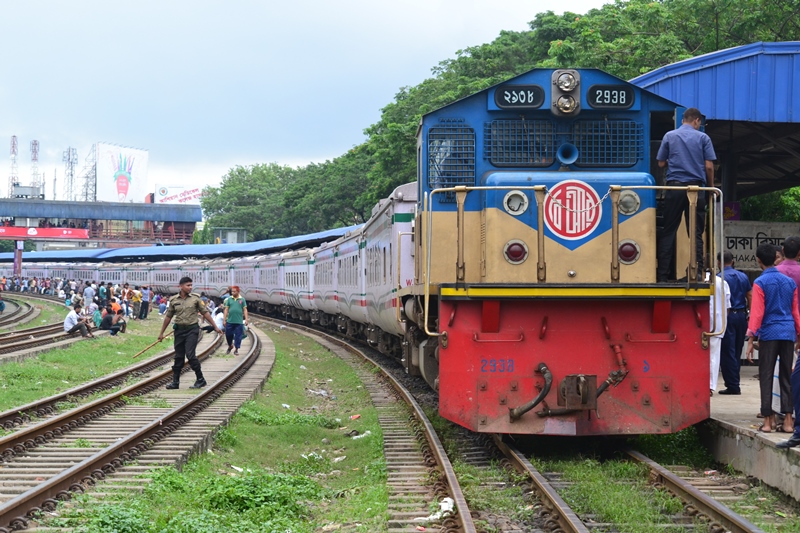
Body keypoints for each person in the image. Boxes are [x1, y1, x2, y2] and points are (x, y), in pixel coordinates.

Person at [656, 107, 717, 282]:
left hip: (674, 188)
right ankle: (697, 272)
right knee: (696, 232)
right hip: (696, 190)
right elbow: (709, 167)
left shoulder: (669, 136)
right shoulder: (703, 138)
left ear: (683, 120)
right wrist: (711, 188)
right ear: (697, 120)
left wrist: (674, 161)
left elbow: (660, 163)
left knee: (669, 230)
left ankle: (662, 275)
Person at [746, 244, 800, 433]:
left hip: (769, 333)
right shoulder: (789, 283)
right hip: (787, 332)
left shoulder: (760, 282)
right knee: (787, 376)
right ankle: (787, 421)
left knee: (767, 376)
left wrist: (751, 337)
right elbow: (795, 312)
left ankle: (768, 422)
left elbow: (757, 313)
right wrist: (799, 333)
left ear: (759, 261)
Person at [157, 277, 222, 390]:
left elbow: (205, 313)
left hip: (192, 330)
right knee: (178, 356)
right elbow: (168, 316)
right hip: (179, 331)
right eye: (188, 285)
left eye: (191, 285)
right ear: (181, 286)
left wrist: (215, 327)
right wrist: (161, 333)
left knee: (190, 355)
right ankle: (175, 382)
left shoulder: (195, 299)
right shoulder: (173, 300)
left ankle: (200, 379)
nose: (190, 287)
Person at [717, 251, 752, 395]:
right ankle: (734, 381)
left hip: (728, 316)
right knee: (737, 350)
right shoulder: (743, 276)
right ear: (732, 261)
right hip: (741, 316)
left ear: (718, 263)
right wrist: (750, 313)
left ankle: (733, 385)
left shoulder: (719, 278)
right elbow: (749, 295)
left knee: (727, 351)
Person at [709, 271, 731, 395]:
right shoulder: (722, 282)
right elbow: (728, 306)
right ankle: (710, 386)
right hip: (717, 324)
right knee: (713, 356)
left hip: (699, 321)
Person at [223, 285, 249, 356]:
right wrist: (224, 320)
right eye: (232, 291)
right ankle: (230, 345)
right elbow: (226, 309)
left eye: (234, 292)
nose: (233, 293)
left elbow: (245, 310)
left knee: (238, 336)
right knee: (228, 335)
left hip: (239, 321)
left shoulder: (242, 300)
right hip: (230, 321)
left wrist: (246, 319)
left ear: (238, 292)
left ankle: (236, 349)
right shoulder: (229, 299)